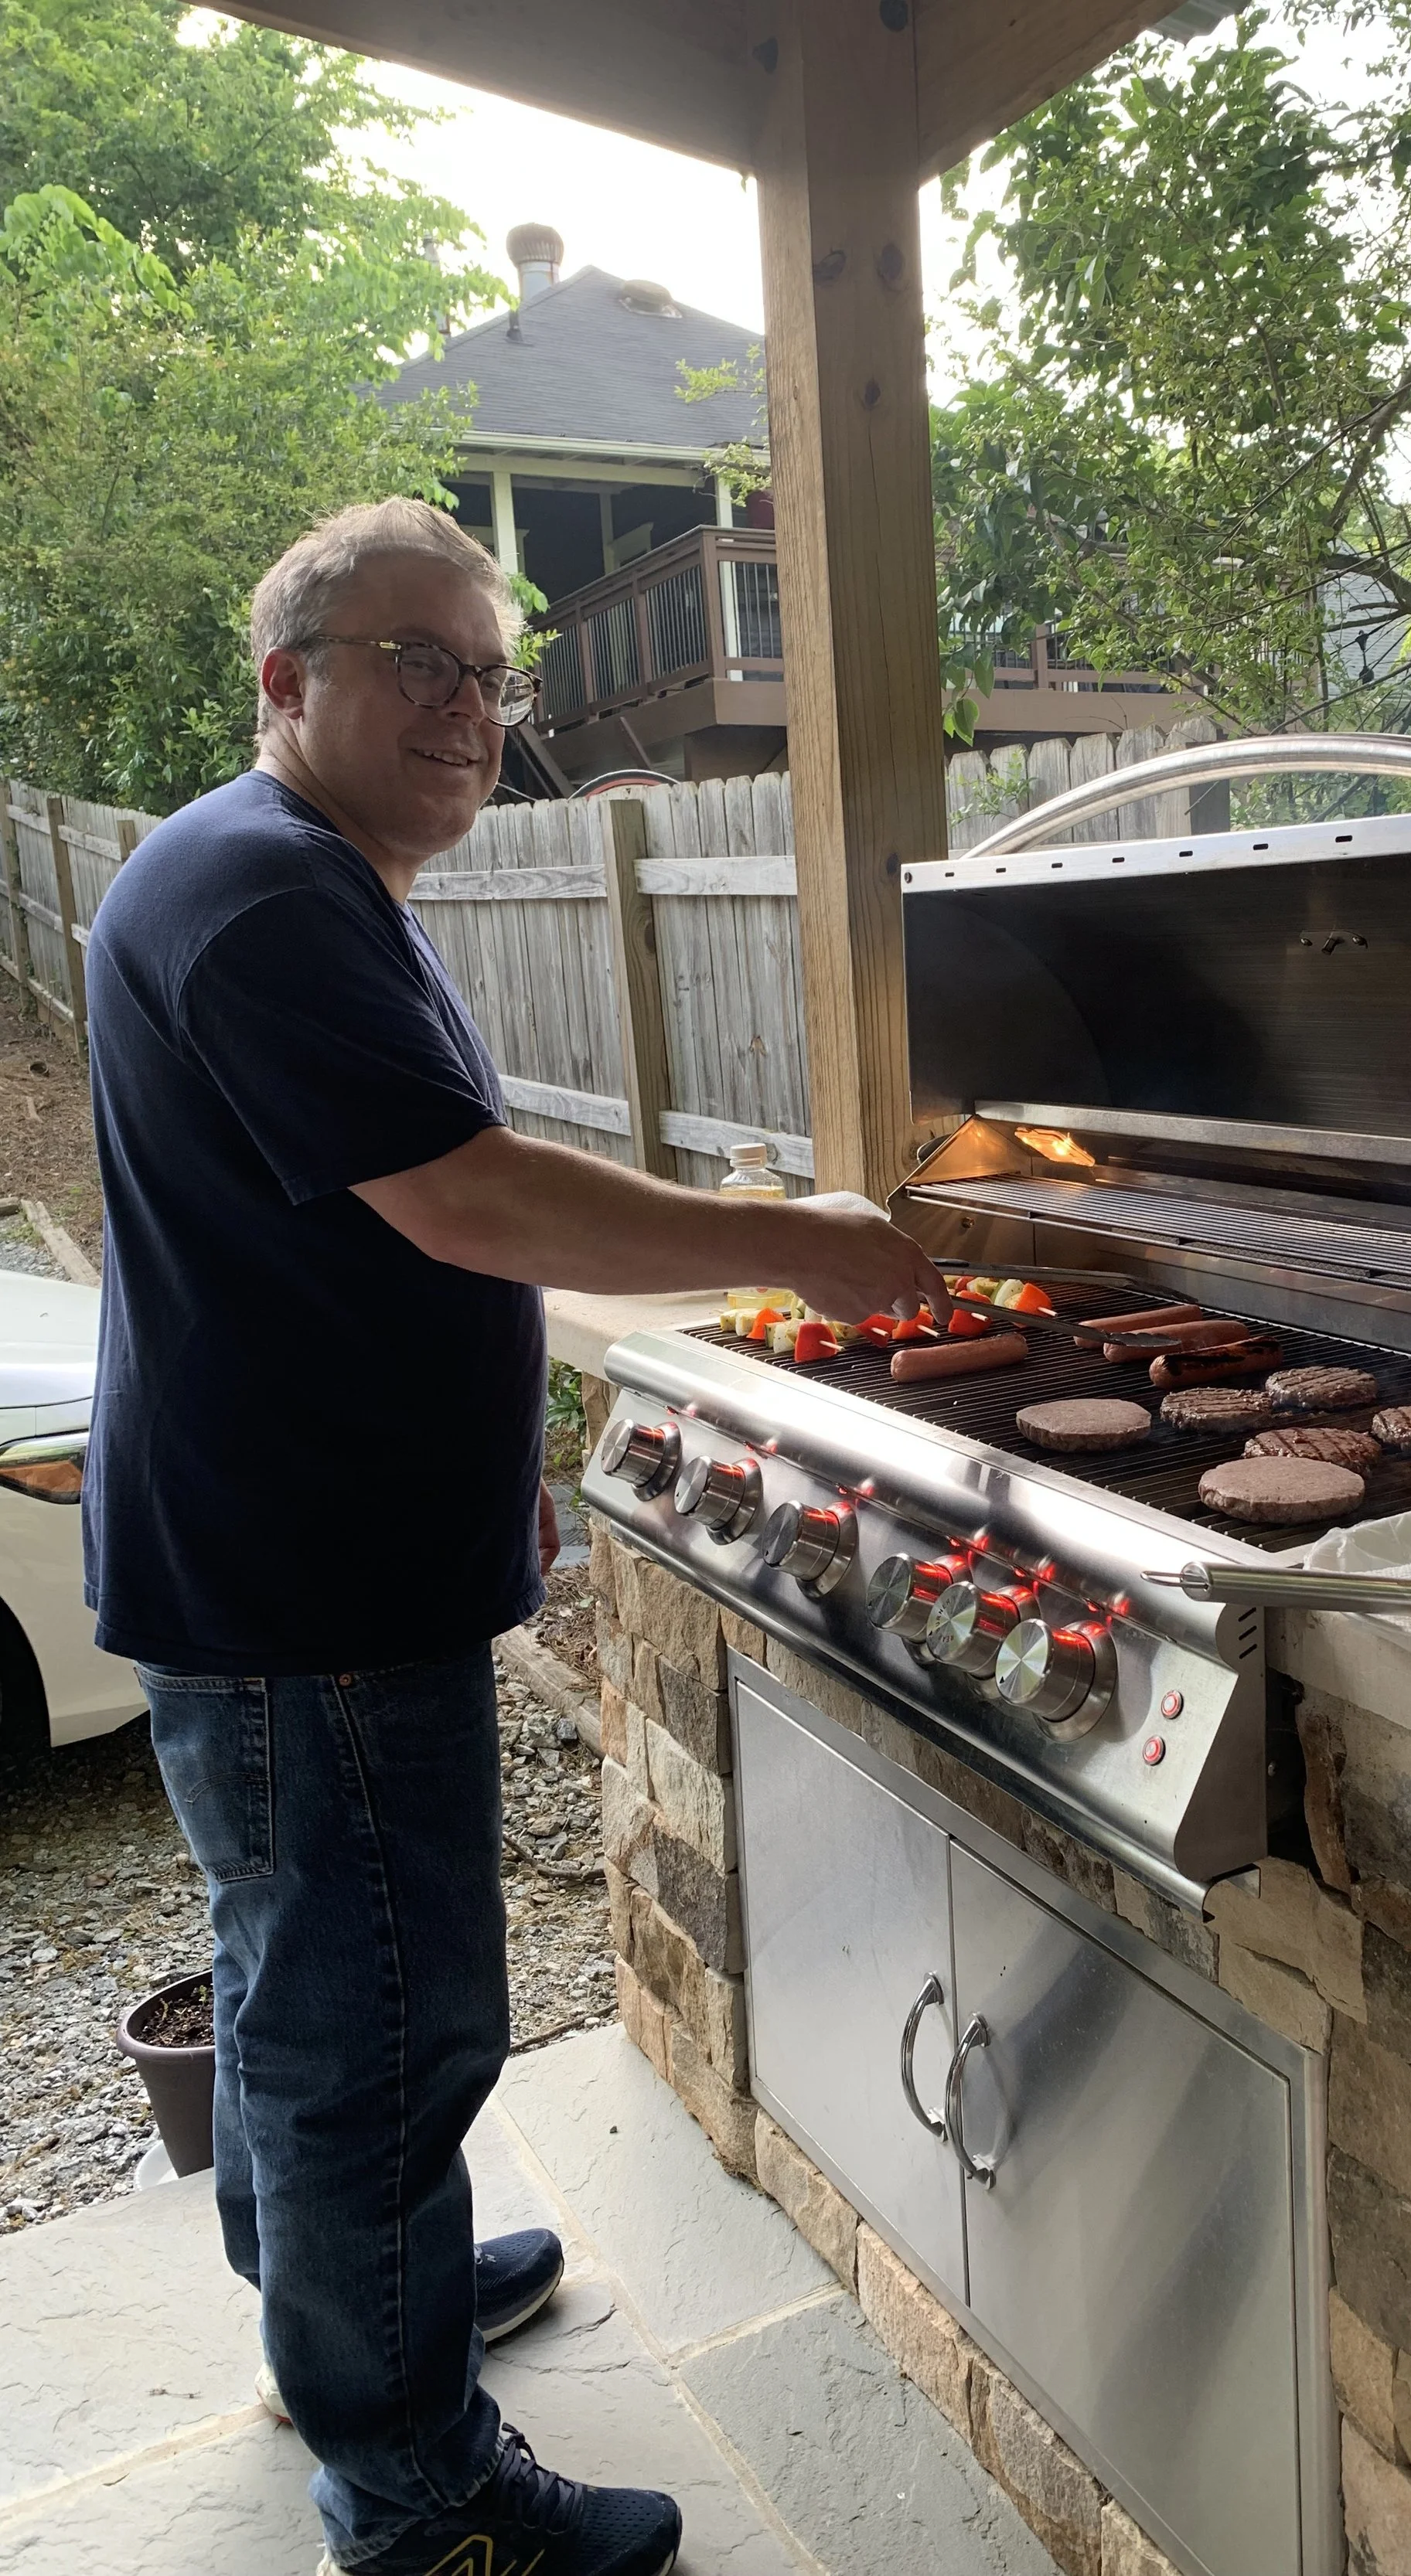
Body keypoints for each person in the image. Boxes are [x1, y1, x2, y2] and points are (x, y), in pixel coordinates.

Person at [81, 498, 949, 2576]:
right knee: (382, 2025)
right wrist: (799, 1240)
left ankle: (341, 2309)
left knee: (305, 1978)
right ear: (286, 681)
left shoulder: (279, 870)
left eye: (489, 672)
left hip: (281, 1544)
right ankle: (417, 2493)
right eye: (418, 663)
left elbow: (395, 1202)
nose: (469, 709)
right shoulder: (267, 895)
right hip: (311, 1582)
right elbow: (466, 1197)